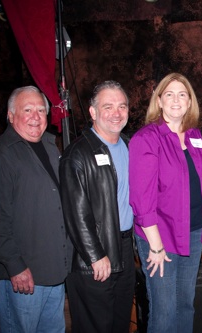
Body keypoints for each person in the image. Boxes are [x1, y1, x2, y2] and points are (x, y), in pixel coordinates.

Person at [0, 86, 72, 332]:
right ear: (11, 115)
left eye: (41, 110)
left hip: (53, 270)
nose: (36, 116)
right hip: (23, 276)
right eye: (28, 110)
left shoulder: (49, 147)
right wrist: (16, 266)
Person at [129, 73, 202, 333]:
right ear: (160, 101)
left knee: (186, 305)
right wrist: (155, 246)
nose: (176, 100)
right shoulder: (147, 138)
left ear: (189, 103)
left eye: (182, 94)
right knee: (164, 311)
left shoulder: (195, 136)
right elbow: (141, 199)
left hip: (193, 232)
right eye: (170, 94)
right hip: (160, 237)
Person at [59, 80, 135, 333]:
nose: (116, 113)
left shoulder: (128, 145)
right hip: (95, 254)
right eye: (108, 106)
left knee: (120, 323)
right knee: (95, 326)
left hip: (125, 248)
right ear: (92, 112)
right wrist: (95, 255)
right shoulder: (77, 154)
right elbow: (75, 213)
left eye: (122, 106)